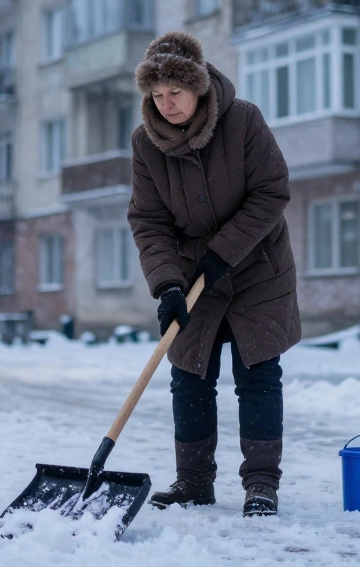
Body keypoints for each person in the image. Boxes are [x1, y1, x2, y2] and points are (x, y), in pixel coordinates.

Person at [127, 31, 301, 517]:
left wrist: (223, 252)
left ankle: (261, 485)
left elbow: (272, 191)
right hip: (190, 274)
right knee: (189, 375)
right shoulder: (146, 143)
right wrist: (166, 284)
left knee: (258, 375)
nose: (166, 105)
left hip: (257, 268)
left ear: (198, 87)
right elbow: (148, 219)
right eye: (156, 96)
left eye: (175, 93)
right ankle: (194, 483)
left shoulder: (242, 120)